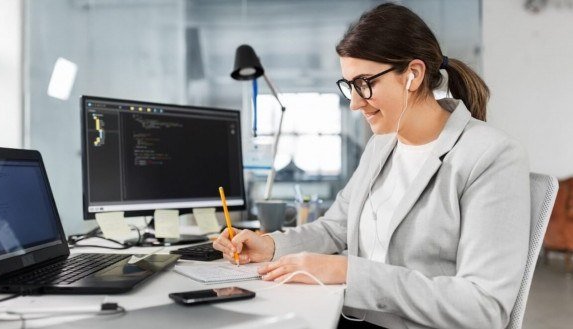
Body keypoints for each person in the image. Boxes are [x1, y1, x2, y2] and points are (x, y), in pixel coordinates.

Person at [213, 3, 530, 329]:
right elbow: (334, 228)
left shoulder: (491, 156)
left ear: (413, 74)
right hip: (349, 316)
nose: (354, 102)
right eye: (349, 85)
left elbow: (483, 307)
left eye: (365, 83)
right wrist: (272, 245)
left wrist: (348, 272)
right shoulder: (382, 145)